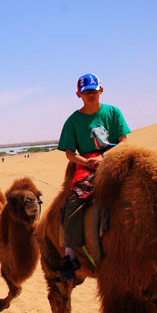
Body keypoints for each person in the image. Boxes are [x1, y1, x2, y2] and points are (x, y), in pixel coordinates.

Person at [56, 73, 130, 279]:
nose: (91, 94)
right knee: (75, 201)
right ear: (79, 94)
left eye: (93, 91)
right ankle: (70, 255)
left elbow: (124, 142)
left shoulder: (113, 113)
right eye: (86, 91)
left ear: (101, 90)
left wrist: (105, 157)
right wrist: (88, 162)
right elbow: (70, 153)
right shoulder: (73, 121)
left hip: (115, 157)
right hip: (86, 165)